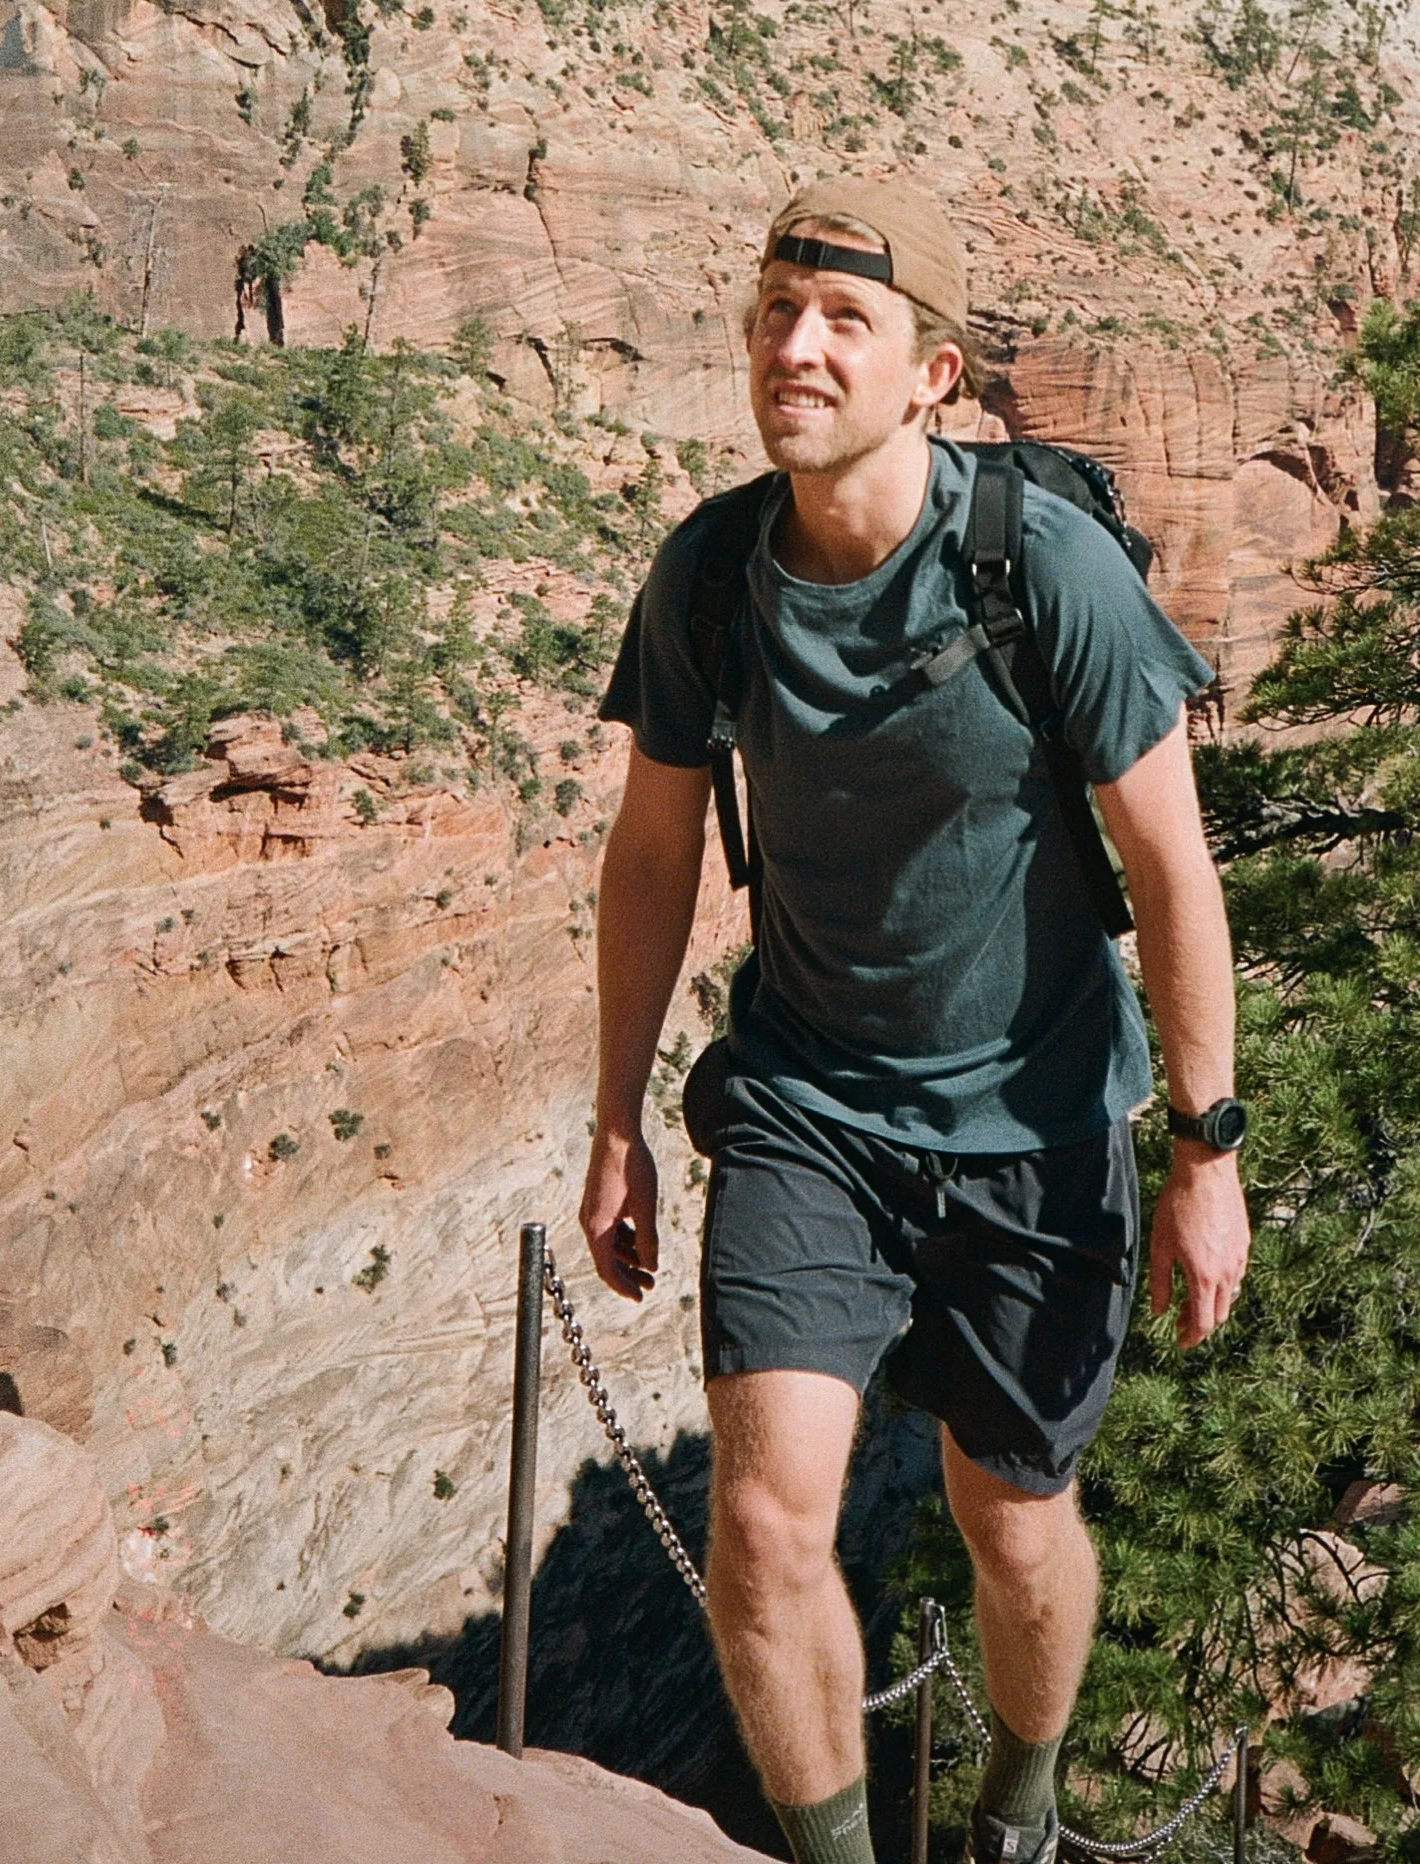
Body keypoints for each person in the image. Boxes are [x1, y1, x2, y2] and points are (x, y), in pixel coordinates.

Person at [583, 173, 1249, 1864]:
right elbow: (655, 850)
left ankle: (1017, 1811)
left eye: (843, 324)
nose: (794, 352)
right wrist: (614, 1121)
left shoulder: (1047, 573)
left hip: (1036, 1124)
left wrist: (1205, 1147)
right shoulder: (713, 577)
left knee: (1012, 1527)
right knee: (762, 1522)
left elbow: (1171, 865)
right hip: (810, 1105)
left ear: (931, 374)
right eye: (773, 316)